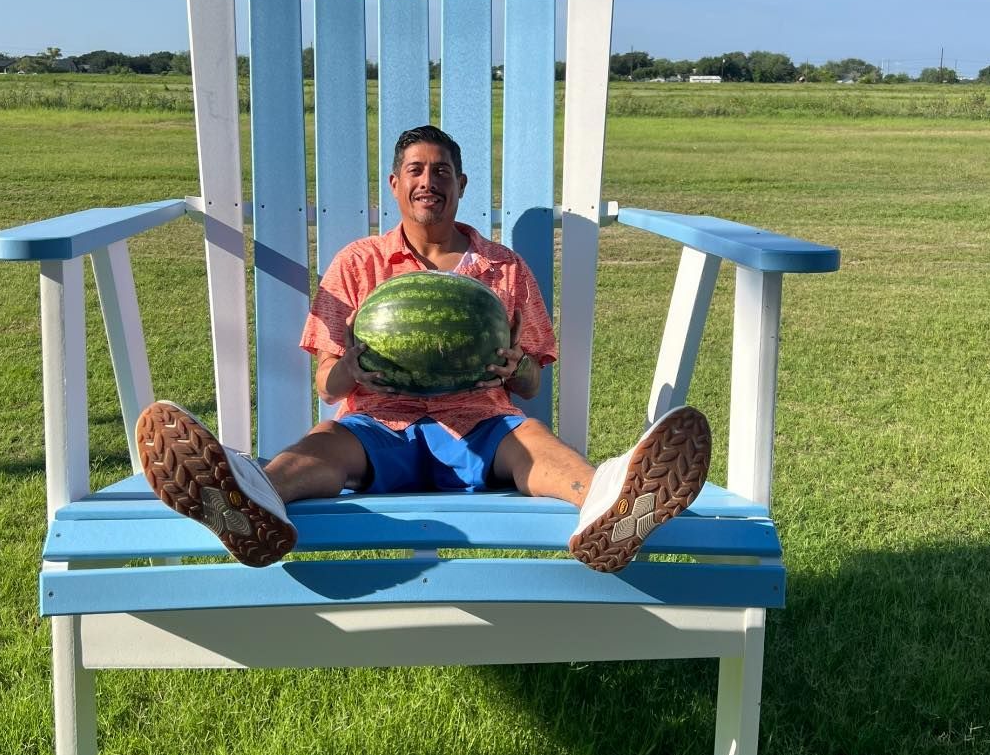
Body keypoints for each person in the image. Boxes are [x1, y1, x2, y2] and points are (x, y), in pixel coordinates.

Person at [136, 125, 711, 573]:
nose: (428, 181)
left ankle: (610, 504)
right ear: (395, 185)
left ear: (461, 185)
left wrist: (518, 367)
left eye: (442, 172)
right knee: (325, 446)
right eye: (415, 170)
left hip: (483, 421)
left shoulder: (503, 268)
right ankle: (248, 494)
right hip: (378, 423)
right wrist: (352, 368)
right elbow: (327, 383)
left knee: (535, 445)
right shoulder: (358, 263)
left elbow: (531, 382)